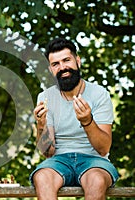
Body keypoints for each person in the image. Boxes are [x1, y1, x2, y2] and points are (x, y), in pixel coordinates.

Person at [29, 38, 119, 200]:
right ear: (51, 70)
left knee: (96, 180)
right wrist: (41, 124)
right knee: (42, 178)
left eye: (66, 60)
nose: (62, 67)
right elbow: (47, 152)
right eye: (55, 64)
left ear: (77, 61)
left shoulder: (99, 94)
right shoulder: (45, 97)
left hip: (94, 161)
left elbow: (103, 148)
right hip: (58, 161)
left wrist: (87, 121)